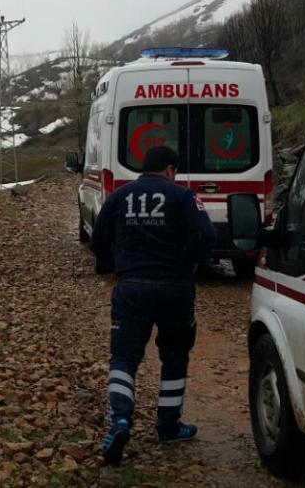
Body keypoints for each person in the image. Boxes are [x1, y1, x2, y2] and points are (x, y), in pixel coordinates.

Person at [89, 145, 216, 466]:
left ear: (144, 168)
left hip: (131, 288)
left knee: (124, 358)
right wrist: (191, 261)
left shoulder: (120, 196)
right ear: (171, 169)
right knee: (174, 357)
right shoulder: (183, 197)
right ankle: (168, 426)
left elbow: (97, 238)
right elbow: (206, 235)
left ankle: (119, 421)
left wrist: (111, 265)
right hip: (176, 289)